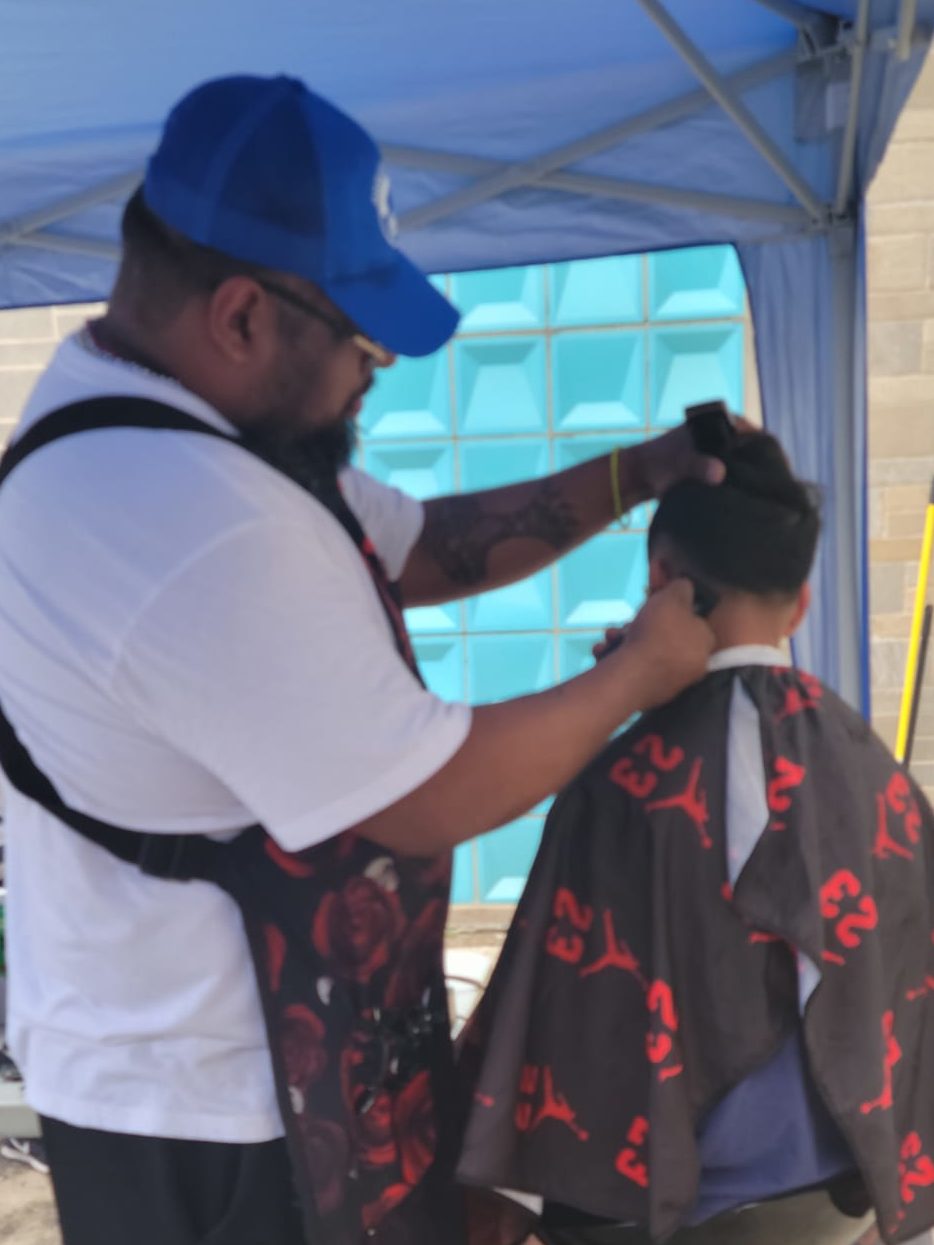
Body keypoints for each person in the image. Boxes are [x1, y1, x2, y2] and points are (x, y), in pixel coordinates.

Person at [0, 75, 720, 1245]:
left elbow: (425, 547)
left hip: (276, 1072)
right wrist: (644, 668)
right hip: (210, 1122)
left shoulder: (181, 424)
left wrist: (636, 472)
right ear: (240, 316)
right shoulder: (185, 520)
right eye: (359, 334)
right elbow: (425, 795)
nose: (378, 366)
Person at [455, 429, 934, 1245]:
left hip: (655, 1204)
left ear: (660, 581)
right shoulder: (878, 773)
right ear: (803, 601)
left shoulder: (621, 780)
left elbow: (556, 1018)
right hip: (834, 1193)